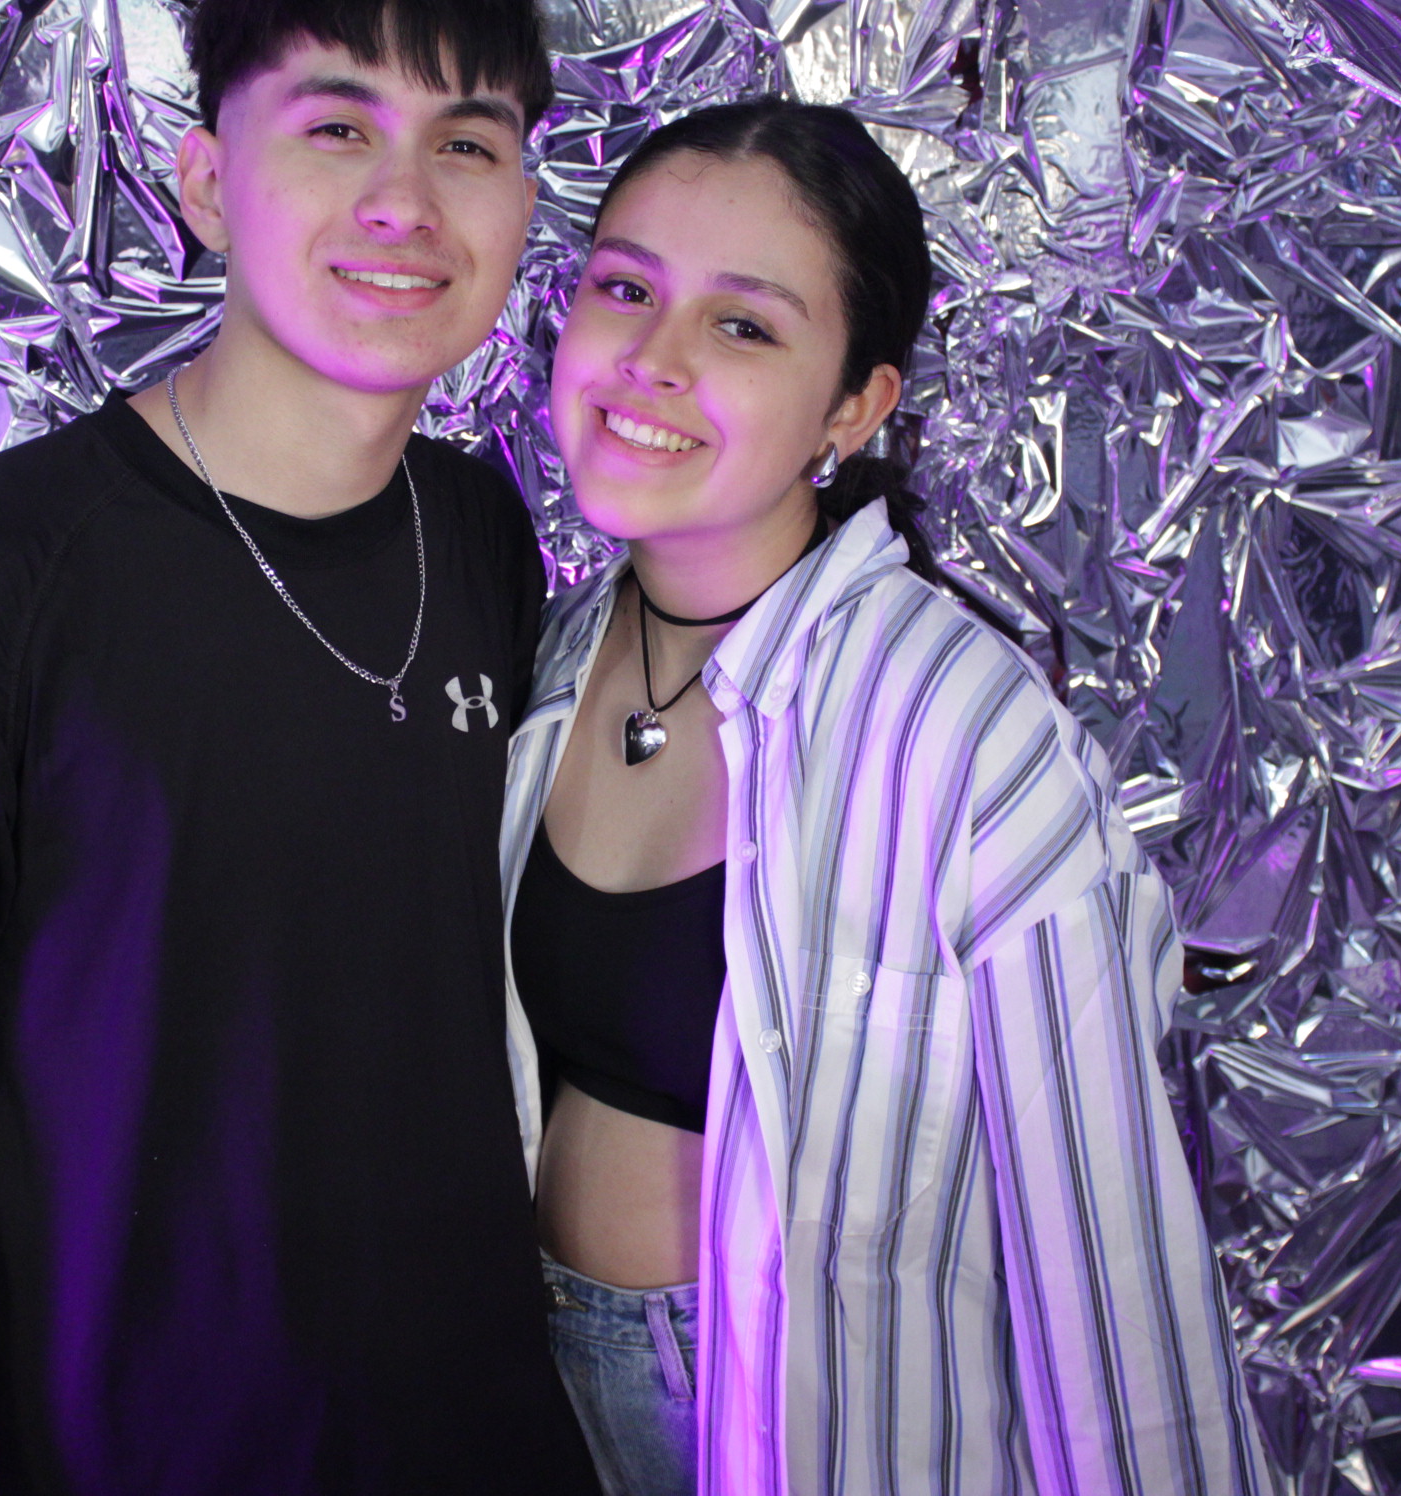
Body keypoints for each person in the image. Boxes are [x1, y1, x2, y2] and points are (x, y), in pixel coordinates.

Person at [0, 0, 601, 1496]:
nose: (404, 201)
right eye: (338, 127)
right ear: (209, 183)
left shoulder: (481, 528)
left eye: (467, 146)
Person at [503, 98, 1275, 1495]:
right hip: (526, 1397)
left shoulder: (964, 734)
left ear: (855, 407)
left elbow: (1114, 1276)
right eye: (625, 288)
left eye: (743, 326)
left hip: (787, 1428)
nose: (653, 359)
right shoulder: (546, 660)